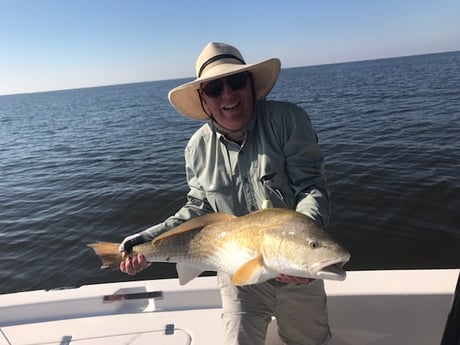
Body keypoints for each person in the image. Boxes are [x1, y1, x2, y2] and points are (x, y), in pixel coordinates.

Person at [119, 42, 331, 345]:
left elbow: (311, 186)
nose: (227, 94)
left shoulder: (288, 120)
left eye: (235, 82)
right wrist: (147, 240)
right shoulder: (196, 147)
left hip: (296, 267)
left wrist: (302, 245)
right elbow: (198, 207)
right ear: (203, 99)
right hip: (236, 272)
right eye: (214, 89)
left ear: (251, 85)